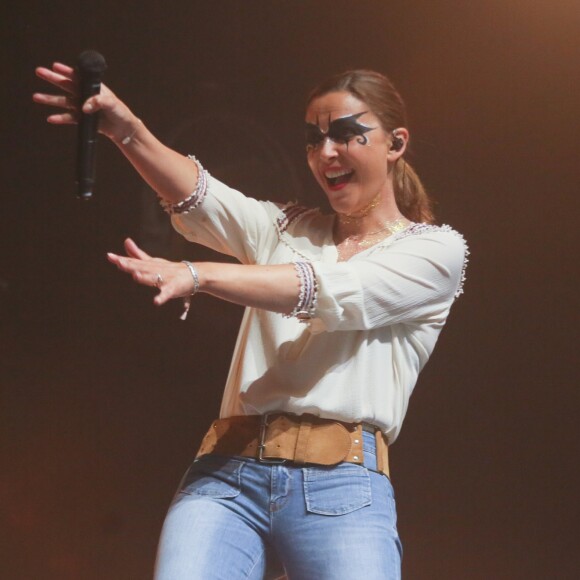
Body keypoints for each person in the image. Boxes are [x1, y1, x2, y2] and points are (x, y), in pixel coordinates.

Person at [34, 63, 468, 580]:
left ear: (395, 143)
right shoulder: (286, 228)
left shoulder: (434, 251)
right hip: (227, 476)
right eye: (314, 139)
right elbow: (202, 197)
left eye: (346, 134)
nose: (326, 152)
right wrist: (125, 128)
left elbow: (328, 292)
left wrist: (199, 274)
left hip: (341, 485)